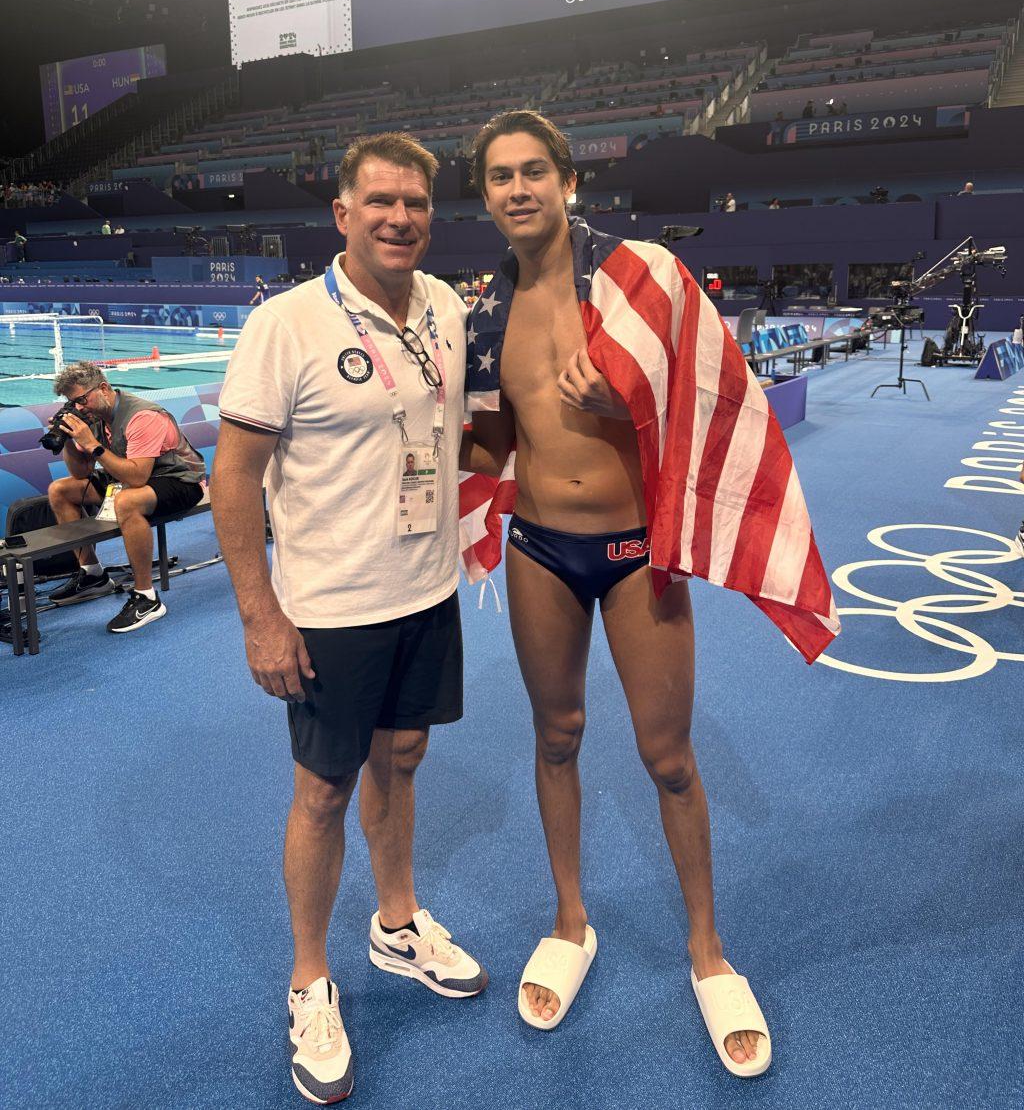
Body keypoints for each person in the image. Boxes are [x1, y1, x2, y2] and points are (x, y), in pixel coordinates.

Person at [459, 110, 836, 1075]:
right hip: (541, 546)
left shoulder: (639, 279)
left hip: (634, 551)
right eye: (499, 176)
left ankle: (709, 953)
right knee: (557, 737)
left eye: (533, 170)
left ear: (568, 180)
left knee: (668, 756)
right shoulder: (484, 313)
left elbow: (716, 397)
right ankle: (570, 920)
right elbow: (493, 441)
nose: (517, 189)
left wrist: (629, 397)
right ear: (487, 195)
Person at [210, 132, 485, 1106]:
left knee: (403, 755)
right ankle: (310, 977)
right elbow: (231, 477)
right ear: (342, 213)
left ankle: (396, 922)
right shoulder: (286, 325)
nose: (400, 217)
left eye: (415, 202)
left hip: (427, 591)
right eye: (380, 201)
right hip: (329, 610)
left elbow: (444, 430)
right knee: (322, 792)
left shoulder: (448, 307)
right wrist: (259, 614)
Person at [45, 362, 206, 632]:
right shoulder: (93, 418)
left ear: (104, 389)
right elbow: (81, 471)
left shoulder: (142, 416)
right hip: (131, 474)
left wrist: (93, 445)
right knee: (60, 490)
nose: (80, 408)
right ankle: (93, 575)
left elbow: (137, 478)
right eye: (73, 403)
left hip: (180, 479)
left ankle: (147, 597)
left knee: (127, 501)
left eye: (82, 400)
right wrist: (70, 440)